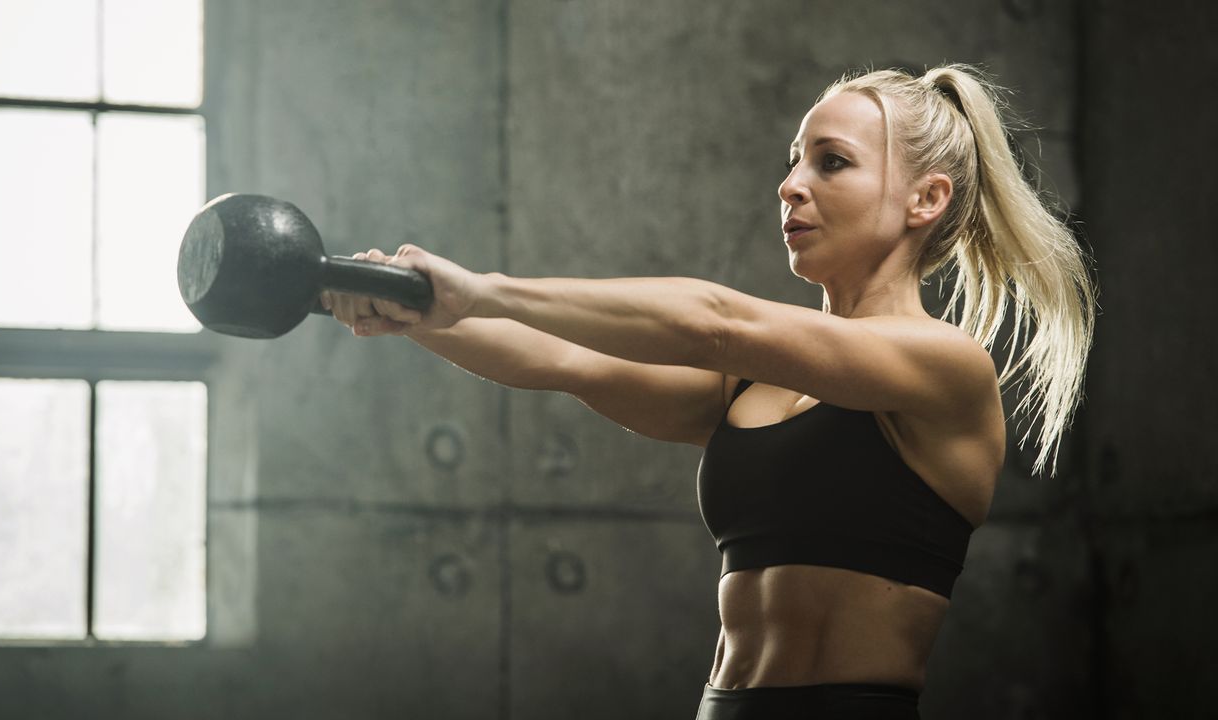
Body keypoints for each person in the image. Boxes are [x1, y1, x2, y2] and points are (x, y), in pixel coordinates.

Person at [322, 64, 1095, 720]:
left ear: (924, 200)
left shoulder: (944, 367)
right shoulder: (752, 380)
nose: (790, 186)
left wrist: (482, 289)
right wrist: (413, 310)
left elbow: (714, 321)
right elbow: (562, 358)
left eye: (831, 163)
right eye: (793, 161)